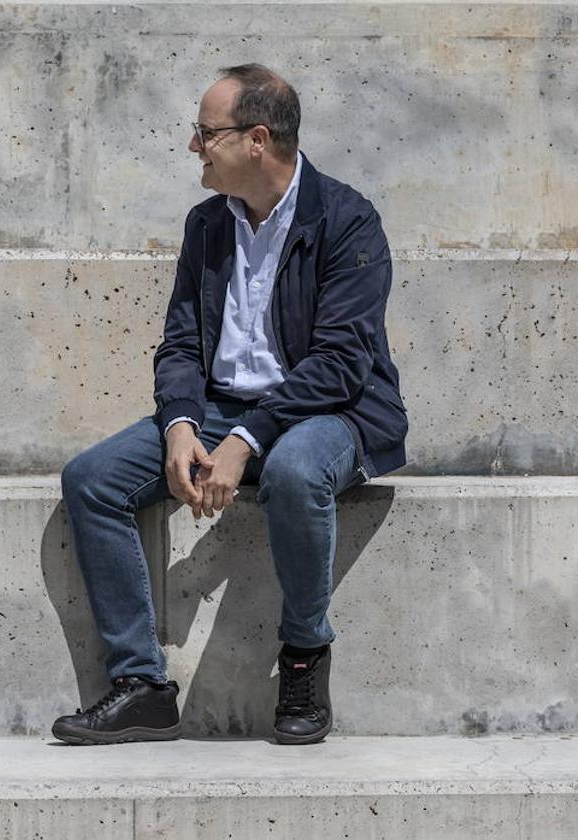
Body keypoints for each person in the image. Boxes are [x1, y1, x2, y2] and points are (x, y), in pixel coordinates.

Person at [52, 64, 408, 746]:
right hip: (220, 406)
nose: (194, 147)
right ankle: (142, 685)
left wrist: (245, 438)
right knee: (92, 479)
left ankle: (304, 654)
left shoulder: (347, 220)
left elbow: (340, 364)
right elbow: (181, 343)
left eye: (205, 133)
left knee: (294, 472)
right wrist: (181, 425)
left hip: (333, 412)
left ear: (257, 140)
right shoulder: (209, 224)